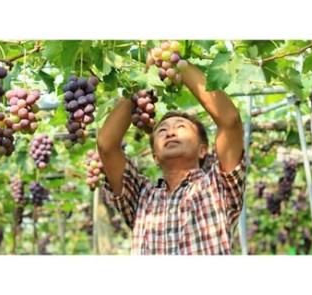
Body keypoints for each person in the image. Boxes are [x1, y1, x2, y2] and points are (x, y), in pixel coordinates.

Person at [97, 62, 246, 255]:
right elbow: (106, 145)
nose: (171, 133)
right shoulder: (141, 197)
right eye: (162, 130)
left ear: (203, 150)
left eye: (181, 127)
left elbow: (230, 121)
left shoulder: (219, 188)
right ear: (155, 157)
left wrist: (176, 64)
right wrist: (143, 78)